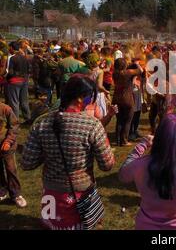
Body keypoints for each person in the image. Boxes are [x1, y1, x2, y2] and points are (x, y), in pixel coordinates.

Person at [21, 75, 115, 230]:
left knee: (51, 226)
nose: (91, 102)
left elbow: (27, 163)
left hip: (50, 194)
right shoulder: (92, 125)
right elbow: (107, 165)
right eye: (90, 98)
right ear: (80, 99)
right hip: (81, 195)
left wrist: (50, 151)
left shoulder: (41, 123)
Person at [0, 102, 26, 208]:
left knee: (11, 169)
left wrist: (8, 141)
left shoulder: (5, 109)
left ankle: (16, 194)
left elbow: (14, 126)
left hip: (7, 146)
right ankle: (2, 191)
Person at [112, 58, 143, 146]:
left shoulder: (115, 73)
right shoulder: (127, 73)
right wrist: (136, 63)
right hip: (127, 98)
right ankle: (124, 140)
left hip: (116, 98)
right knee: (128, 120)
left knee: (119, 120)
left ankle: (118, 140)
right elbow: (140, 71)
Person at [5, 41, 31, 122]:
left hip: (14, 81)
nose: (9, 49)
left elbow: (11, 72)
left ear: (12, 48)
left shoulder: (13, 58)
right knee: (24, 101)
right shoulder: (25, 57)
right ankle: (28, 118)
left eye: (9, 48)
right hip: (25, 80)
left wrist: (7, 77)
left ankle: (15, 121)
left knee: (14, 102)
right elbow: (29, 69)